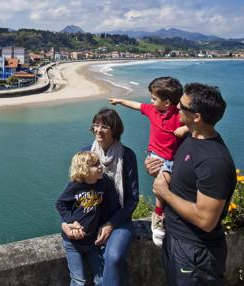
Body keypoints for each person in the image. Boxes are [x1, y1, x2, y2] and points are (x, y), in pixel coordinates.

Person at [148, 83, 236, 285]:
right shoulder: (191, 138)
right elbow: (184, 183)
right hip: (176, 239)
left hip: (196, 251)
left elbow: (206, 219)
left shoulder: (214, 162)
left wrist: (164, 193)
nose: (176, 108)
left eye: (181, 106)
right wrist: (161, 173)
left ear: (197, 117)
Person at [109, 76, 188, 247]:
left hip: (176, 159)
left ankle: (166, 214)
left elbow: (197, 121)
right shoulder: (153, 110)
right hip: (157, 157)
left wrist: (184, 128)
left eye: (154, 98)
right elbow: (136, 106)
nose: (150, 101)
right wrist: (121, 100)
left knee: (174, 189)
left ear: (167, 102)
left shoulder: (180, 115)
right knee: (161, 186)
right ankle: (158, 215)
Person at [78, 108, 139, 286]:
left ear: (115, 130)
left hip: (119, 220)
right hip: (91, 218)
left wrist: (111, 224)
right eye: (96, 125)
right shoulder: (84, 154)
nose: (98, 130)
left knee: (113, 256)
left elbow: (132, 198)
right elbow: (75, 192)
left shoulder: (127, 156)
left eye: (104, 126)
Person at [56, 151, 106, 286]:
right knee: (79, 281)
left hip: (92, 242)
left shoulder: (101, 184)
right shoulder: (75, 186)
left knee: (101, 280)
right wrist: (71, 221)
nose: (100, 166)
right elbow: (60, 204)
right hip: (73, 243)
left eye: (99, 163)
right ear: (84, 170)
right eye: (95, 165)